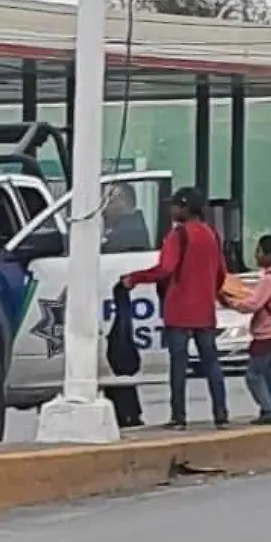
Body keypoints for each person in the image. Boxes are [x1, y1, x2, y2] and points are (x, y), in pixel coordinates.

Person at [122, 186, 229, 429]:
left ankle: (178, 417)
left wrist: (134, 278)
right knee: (211, 363)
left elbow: (165, 269)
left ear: (184, 207)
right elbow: (221, 274)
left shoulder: (178, 236)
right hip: (204, 310)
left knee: (178, 366)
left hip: (179, 309)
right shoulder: (212, 234)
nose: (171, 210)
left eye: (174, 205)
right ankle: (221, 413)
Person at [222, 235, 271, 424]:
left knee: (253, 376)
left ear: (269, 255)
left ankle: (268, 410)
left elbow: (253, 304)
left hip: (265, 335)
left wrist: (231, 302)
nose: (256, 255)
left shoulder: (269, 279)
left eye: (259, 251)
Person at [101, 183, 151, 427]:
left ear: (128, 203)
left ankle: (128, 412)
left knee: (119, 353)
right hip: (112, 301)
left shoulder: (128, 229)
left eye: (113, 199)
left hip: (121, 300)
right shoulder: (114, 228)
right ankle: (127, 410)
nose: (107, 204)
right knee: (116, 355)